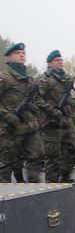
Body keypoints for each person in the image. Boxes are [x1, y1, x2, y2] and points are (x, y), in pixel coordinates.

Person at [0, 42, 45, 183]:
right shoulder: (4, 77)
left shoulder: (28, 78)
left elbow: (34, 99)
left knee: (38, 154)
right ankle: (3, 198)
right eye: (17, 53)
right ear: (8, 57)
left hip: (30, 126)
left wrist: (35, 107)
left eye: (23, 53)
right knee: (6, 164)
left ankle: (32, 187)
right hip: (10, 128)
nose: (21, 55)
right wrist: (6, 115)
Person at [37, 50, 75, 184]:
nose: (60, 62)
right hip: (51, 123)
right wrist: (53, 111)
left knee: (74, 147)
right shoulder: (44, 79)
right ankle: (52, 185)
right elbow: (37, 99)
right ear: (49, 63)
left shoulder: (67, 78)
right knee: (53, 156)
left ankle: (65, 174)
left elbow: (69, 98)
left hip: (66, 121)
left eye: (61, 60)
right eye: (57, 60)